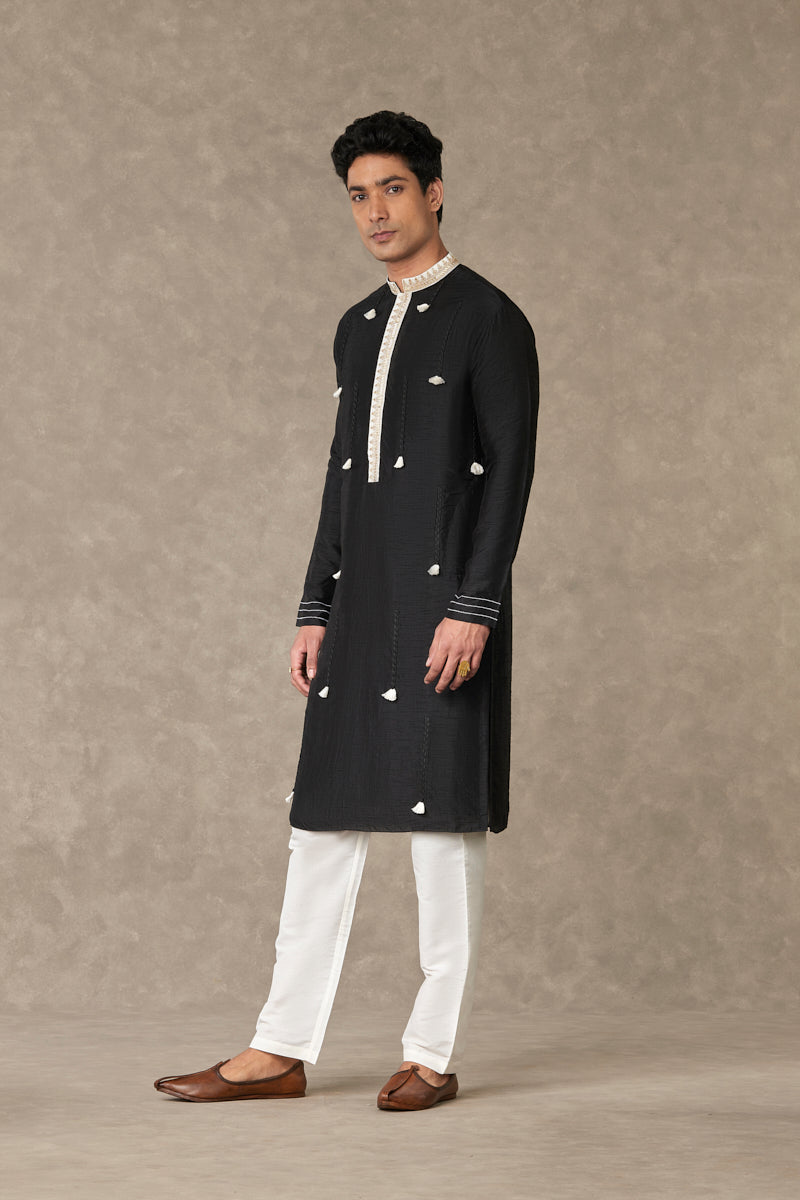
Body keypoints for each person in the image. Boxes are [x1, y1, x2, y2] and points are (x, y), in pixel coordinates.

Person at [155, 110, 539, 1111]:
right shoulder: (357, 327)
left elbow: (508, 475)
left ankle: (431, 1053)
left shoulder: (489, 319)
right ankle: (278, 1049)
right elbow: (343, 477)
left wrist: (475, 605)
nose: (375, 211)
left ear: (434, 192)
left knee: (442, 830)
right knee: (321, 821)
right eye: (358, 195)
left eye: (392, 189)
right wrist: (313, 605)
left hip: (446, 604)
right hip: (360, 604)